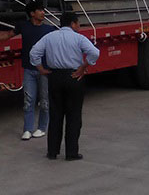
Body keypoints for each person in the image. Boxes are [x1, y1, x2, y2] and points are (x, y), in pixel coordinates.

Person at [29, 14, 99, 161]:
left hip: (54, 76)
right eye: (78, 23)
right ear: (73, 24)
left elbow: (34, 52)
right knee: (74, 116)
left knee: (55, 115)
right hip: (73, 76)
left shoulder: (49, 37)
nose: (79, 26)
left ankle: (52, 152)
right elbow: (94, 52)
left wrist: (41, 69)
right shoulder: (78, 38)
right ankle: (71, 153)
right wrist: (83, 67)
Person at [17, 0, 58, 140]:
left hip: (45, 70)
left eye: (43, 10)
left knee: (45, 101)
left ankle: (41, 128)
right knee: (28, 100)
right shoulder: (24, 26)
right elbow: (8, 35)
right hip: (29, 69)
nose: (43, 13)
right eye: (40, 10)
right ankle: (27, 129)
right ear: (32, 13)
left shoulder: (49, 29)